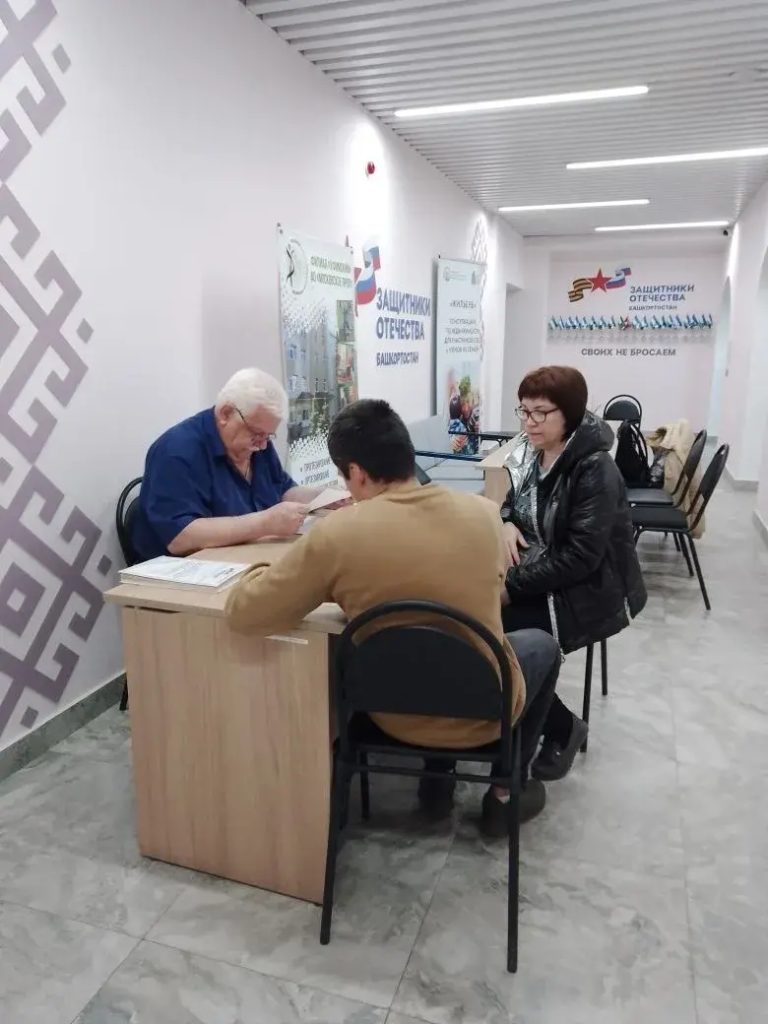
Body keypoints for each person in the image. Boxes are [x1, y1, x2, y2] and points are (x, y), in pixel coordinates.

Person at [226, 398, 562, 835]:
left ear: (356, 473)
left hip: (387, 713)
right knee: (539, 646)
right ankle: (504, 793)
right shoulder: (483, 516)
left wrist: (259, 568)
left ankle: (437, 784)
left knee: (416, 650)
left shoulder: (337, 535)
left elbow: (246, 614)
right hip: (484, 708)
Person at [500, 366, 647, 780]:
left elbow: (582, 558)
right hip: (541, 573)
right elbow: (513, 501)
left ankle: (561, 729)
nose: (529, 422)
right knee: (483, 625)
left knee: (501, 638)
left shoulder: (594, 469)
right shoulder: (531, 451)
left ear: (570, 414)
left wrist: (512, 587)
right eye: (524, 411)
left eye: (540, 413)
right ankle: (516, 724)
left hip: (588, 591)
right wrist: (508, 520)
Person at [132, 368, 325, 561]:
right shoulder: (176, 451)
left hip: (246, 555)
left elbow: (283, 490)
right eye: (257, 434)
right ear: (225, 413)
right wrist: (264, 523)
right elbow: (180, 537)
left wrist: (322, 497)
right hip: (186, 569)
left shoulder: (258, 444)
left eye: (268, 436)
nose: (263, 445)